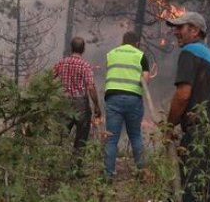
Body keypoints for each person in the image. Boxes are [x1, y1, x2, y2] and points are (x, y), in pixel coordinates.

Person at [165, 11, 210, 202]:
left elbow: (183, 95)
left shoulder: (189, 52)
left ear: (194, 31)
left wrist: (168, 127)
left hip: (199, 137)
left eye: (180, 28)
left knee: (190, 195)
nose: (175, 32)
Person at [103, 31, 150, 178]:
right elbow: (146, 80)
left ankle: (108, 174)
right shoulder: (140, 55)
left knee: (111, 138)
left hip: (113, 98)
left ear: (122, 41)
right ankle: (140, 172)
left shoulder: (111, 54)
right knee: (135, 135)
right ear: (137, 43)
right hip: (133, 99)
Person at [53, 36, 102, 167]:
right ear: (83, 49)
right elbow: (91, 86)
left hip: (64, 103)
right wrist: (97, 106)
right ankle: (75, 168)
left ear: (71, 48)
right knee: (81, 139)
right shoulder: (85, 66)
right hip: (81, 105)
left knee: (60, 136)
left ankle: (55, 165)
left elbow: (49, 79)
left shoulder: (61, 63)